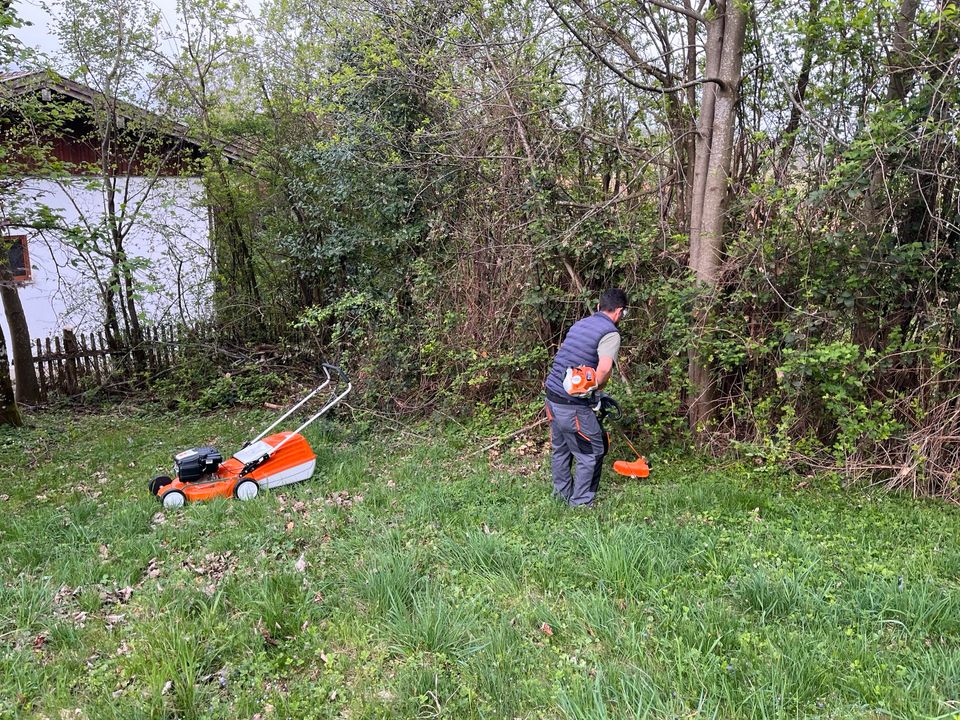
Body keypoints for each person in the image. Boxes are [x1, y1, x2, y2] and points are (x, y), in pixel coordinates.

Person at [544, 288, 628, 507]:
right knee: (592, 451)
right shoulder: (610, 333)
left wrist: (595, 394)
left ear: (600, 307)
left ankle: (561, 496)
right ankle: (581, 504)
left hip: (551, 396)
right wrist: (595, 391)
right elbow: (602, 370)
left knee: (561, 449)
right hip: (572, 404)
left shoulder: (580, 324)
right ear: (619, 312)